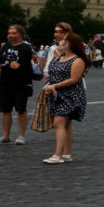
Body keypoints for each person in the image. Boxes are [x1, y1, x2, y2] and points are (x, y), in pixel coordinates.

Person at [40, 33, 88, 164]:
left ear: (72, 44)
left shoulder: (77, 60)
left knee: (59, 122)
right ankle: (66, 154)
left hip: (71, 95)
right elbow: (49, 72)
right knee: (65, 124)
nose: (61, 43)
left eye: (65, 42)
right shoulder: (59, 57)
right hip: (56, 93)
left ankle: (57, 155)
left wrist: (55, 85)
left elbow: (74, 79)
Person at [0, 24, 33, 146]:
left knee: (21, 110)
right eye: (9, 33)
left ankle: (21, 136)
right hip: (5, 82)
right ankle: (6, 136)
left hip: (20, 83)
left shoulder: (26, 48)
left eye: (13, 33)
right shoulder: (5, 46)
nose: (10, 35)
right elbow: (0, 64)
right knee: (5, 110)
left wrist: (19, 66)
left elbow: (29, 67)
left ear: (21, 34)